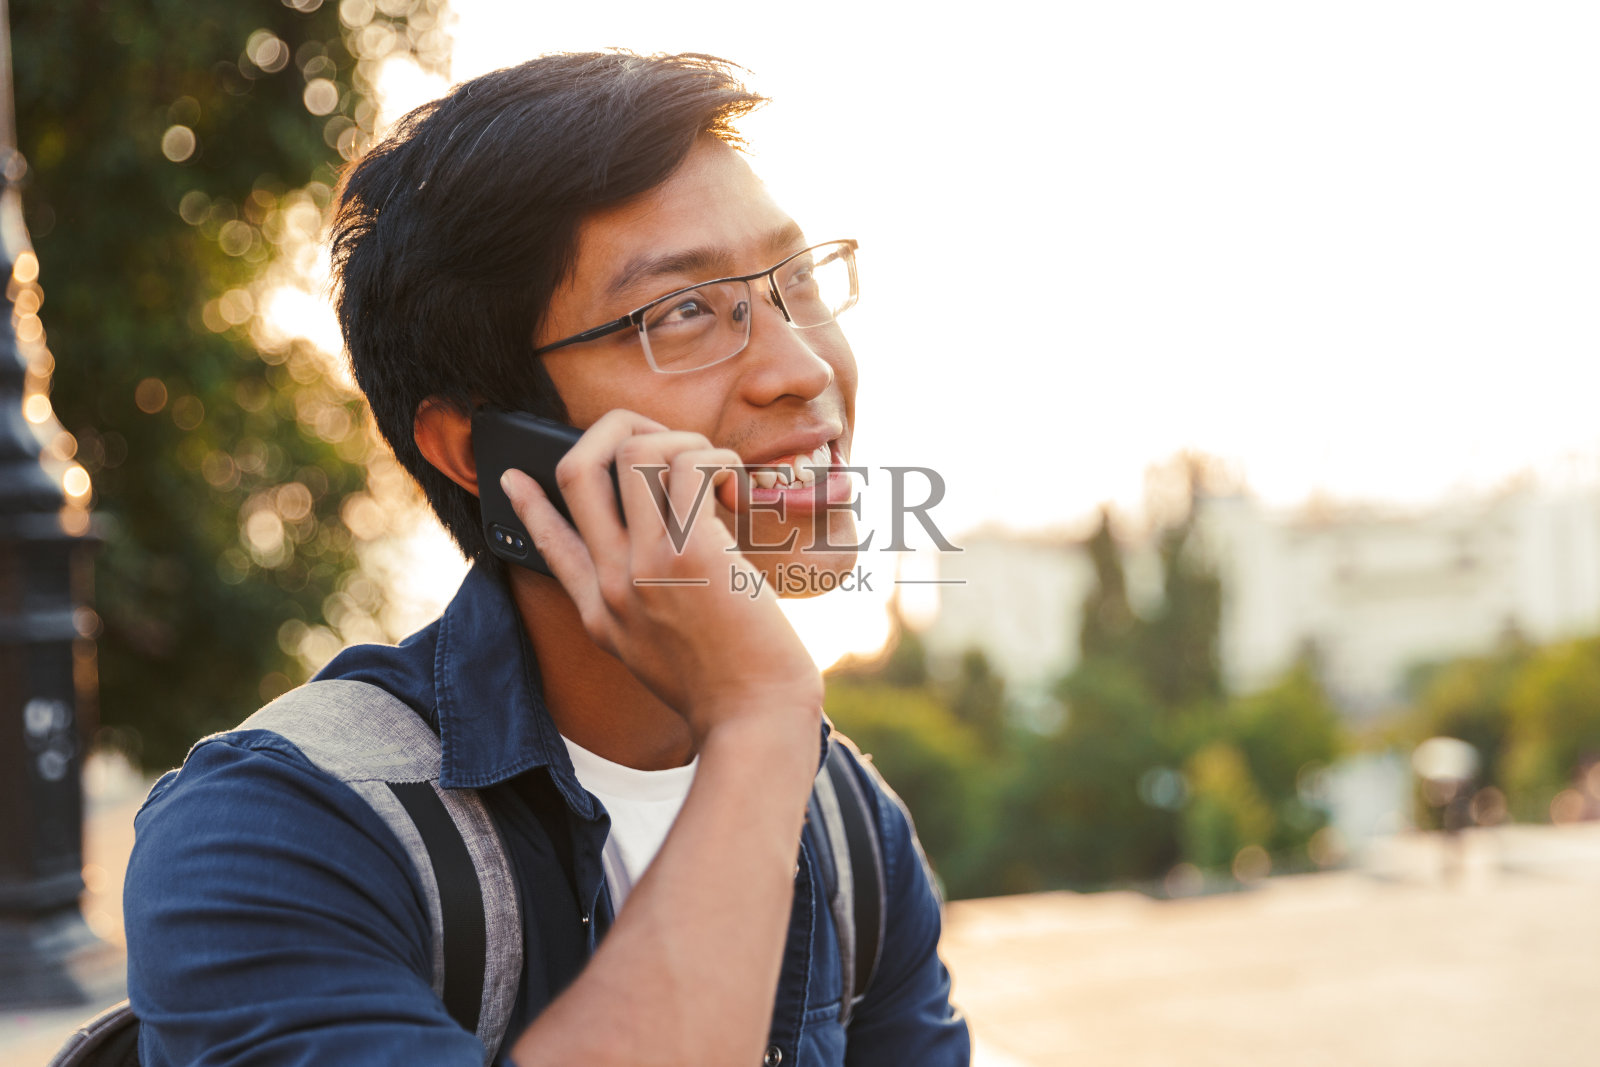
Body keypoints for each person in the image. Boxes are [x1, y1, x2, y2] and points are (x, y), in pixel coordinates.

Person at [122, 51, 970, 1066]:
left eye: (795, 284)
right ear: (481, 446)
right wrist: (756, 711)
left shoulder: (846, 828)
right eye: (684, 312)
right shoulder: (275, 835)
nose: (799, 368)